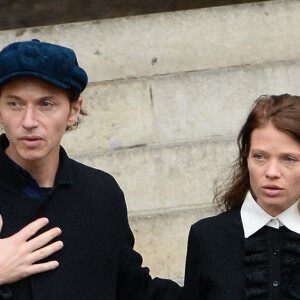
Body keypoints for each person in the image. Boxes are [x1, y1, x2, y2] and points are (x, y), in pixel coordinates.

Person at [0, 39, 181, 299]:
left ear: (74, 110)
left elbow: (132, 289)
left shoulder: (100, 192)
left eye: (46, 104)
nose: (29, 121)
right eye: (15, 104)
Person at [181, 94, 300, 300]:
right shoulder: (208, 237)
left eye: (288, 159)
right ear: (246, 157)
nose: (271, 172)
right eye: (259, 156)